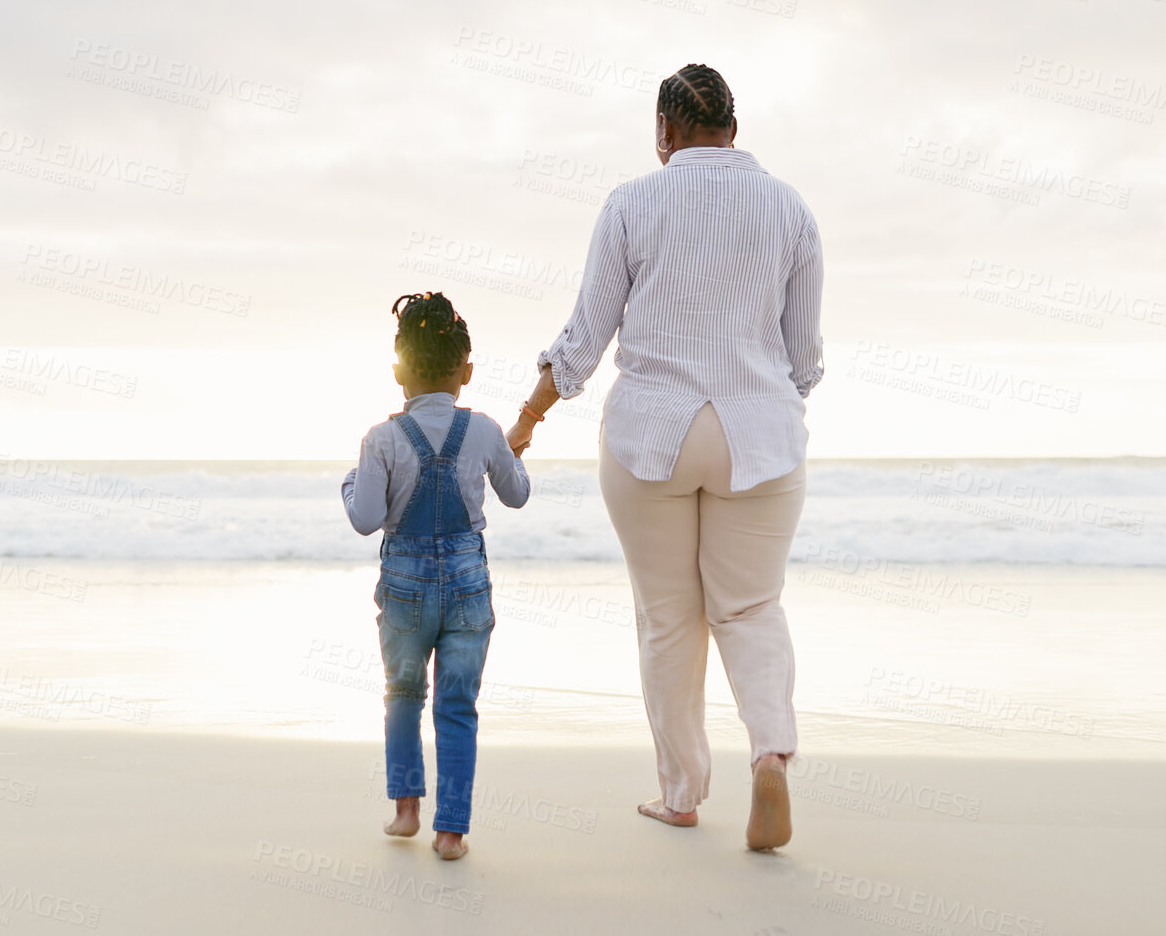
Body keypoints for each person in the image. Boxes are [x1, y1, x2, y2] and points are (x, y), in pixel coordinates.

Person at [506, 64, 823, 851]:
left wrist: (527, 420)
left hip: (651, 435)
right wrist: (762, 399)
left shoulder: (630, 203)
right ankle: (770, 754)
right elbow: (803, 355)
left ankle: (681, 792)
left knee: (668, 618)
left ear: (663, 131)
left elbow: (583, 338)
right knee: (749, 607)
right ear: (734, 129)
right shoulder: (790, 208)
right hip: (759, 435)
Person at [342, 291, 531, 860]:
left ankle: (406, 811)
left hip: (404, 587)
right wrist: (513, 455)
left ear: (399, 372)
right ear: (466, 371)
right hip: (469, 584)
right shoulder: (485, 429)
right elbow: (516, 495)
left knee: (402, 693)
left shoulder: (381, 438)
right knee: (456, 703)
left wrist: (351, 479)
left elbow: (365, 519)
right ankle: (451, 832)